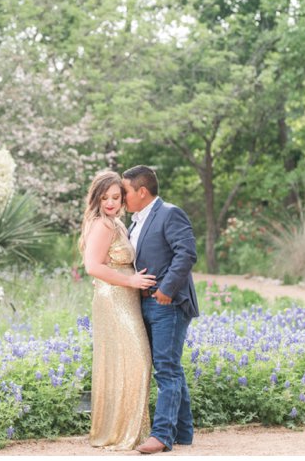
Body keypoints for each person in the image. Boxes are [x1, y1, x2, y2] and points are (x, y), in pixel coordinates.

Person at [121, 165, 199, 455]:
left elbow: (187, 252)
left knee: (166, 368)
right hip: (145, 303)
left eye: (125, 191)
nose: (122, 196)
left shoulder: (169, 213)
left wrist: (167, 289)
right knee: (170, 366)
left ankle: (162, 436)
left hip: (169, 303)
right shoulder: (135, 222)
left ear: (142, 191)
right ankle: (184, 432)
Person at [80, 170, 156, 450]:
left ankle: (129, 430)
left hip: (126, 297)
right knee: (137, 359)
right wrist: (131, 280)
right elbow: (93, 267)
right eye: (105, 197)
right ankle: (120, 431)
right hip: (112, 297)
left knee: (129, 361)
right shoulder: (102, 224)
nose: (111, 202)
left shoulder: (118, 224)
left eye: (116, 197)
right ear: (97, 199)